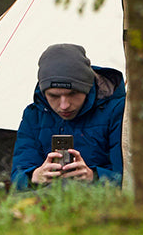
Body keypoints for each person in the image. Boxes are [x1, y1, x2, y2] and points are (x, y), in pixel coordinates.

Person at [11, 43, 124, 189]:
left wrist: (93, 176)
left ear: (87, 88)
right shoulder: (33, 116)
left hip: (101, 200)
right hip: (46, 199)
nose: (64, 105)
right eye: (54, 96)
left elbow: (130, 179)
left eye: (73, 94)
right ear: (44, 93)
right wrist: (34, 177)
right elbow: (17, 176)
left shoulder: (117, 111)